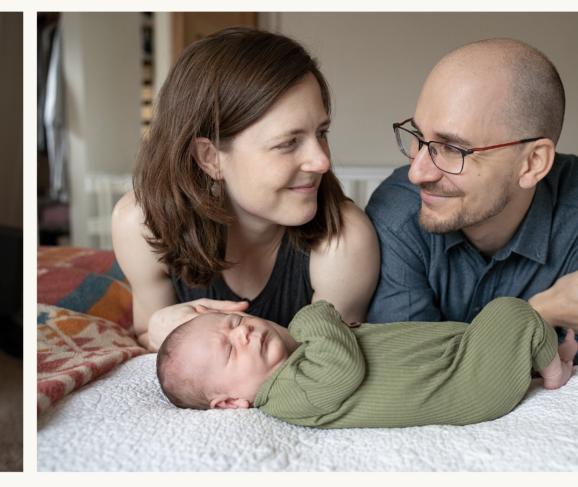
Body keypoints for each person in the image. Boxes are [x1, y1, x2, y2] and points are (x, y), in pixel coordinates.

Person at [365, 38, 578, 364]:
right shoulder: (397, 213)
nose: (417, 172)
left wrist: (467, 348)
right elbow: (412, 366)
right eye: (418, 137)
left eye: (452, 148)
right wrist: (540, 313)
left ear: (533, 163)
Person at [113, 27, 379, 352]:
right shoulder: (140, 224)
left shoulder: (345, 241)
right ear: (210, 158)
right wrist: (157, 329)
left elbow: (335, 363)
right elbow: (145, 337)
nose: (322, 161)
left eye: (321, 132)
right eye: (288, 143)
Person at [156, 298, 576, 428]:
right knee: (511, 312)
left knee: (486, 329)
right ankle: (555, 374)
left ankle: (535, 360)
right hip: (465, 386)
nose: (244, 333)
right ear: (230, 403)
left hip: (454, 360)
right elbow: (343, 366)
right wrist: (313, 314)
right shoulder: (286, 394)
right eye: (230, 350)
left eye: (235, 322)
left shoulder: (294, 364)